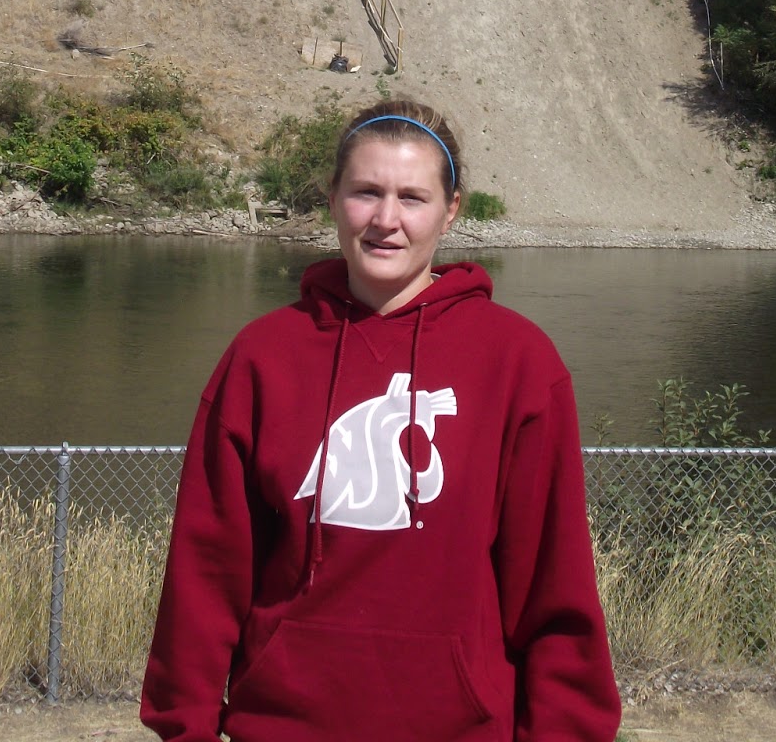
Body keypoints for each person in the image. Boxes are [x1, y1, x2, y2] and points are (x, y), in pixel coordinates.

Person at [141, 98, 621, 742]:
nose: (386, 221)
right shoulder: (262, 356)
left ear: (452, 209)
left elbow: (551, 582)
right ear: (334, 198)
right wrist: (184, 725)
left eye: (413, 198)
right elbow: (205, 572)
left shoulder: (518, 362)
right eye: (366, 192)